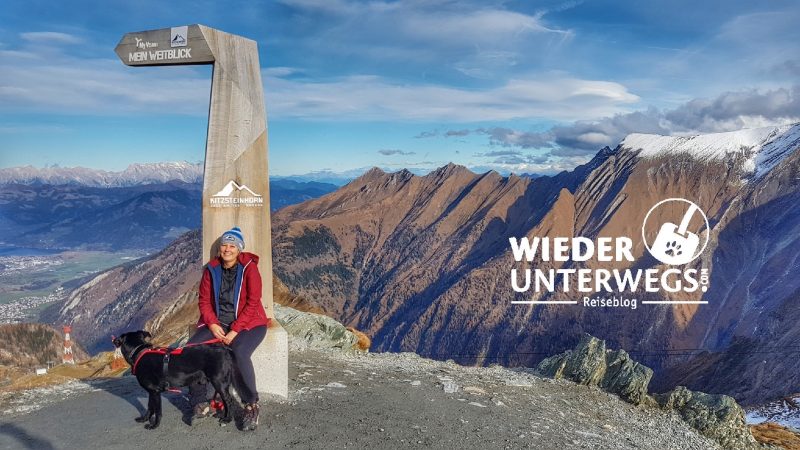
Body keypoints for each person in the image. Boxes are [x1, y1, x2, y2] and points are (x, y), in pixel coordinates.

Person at [186, 226, 269, 431]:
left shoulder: (249, 268)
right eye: (224, 245)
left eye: (232, 245)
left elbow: (253, 302)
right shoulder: (211, 270)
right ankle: (200, 401)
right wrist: (213, 324)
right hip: (219, 323)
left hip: (250, 324)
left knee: (238, 352)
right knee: (192, 349)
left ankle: (251, 404)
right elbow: (204, 301)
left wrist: (235, 330)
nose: (227, 249)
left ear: (239, 249)